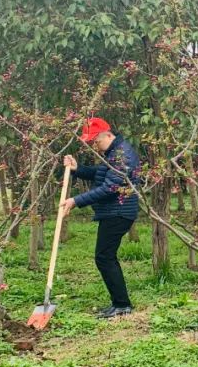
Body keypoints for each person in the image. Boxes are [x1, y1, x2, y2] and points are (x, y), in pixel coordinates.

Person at [61, 117, 142, 319]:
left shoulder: (122, 154)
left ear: (108, 134)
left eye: (96, 141)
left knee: (104, 257)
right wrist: (77, 169)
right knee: (105, 257)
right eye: (92, 143)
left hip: (119, 212)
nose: (95, 146)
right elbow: (101, 173)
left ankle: (122, 305)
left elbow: (109, 187)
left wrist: (76, 201)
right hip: (114, 212)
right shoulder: (114, 152)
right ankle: (119, 303)